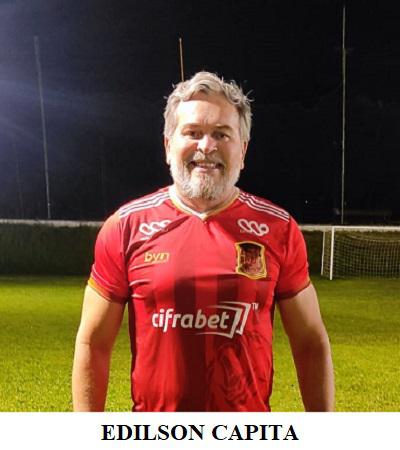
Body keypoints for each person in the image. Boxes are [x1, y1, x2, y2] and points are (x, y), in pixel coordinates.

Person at [72, 71, 334, 412]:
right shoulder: (126, 227)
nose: (206, 146)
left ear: (243, 150)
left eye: (221, 134)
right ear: (168, 146)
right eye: (193, 132)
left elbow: (310, 342)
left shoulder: (277, 228)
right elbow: (93, 343)